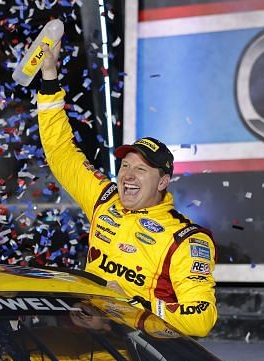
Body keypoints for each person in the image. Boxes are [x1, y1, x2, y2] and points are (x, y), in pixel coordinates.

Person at [36, 41, 217, 337]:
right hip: (84, 338)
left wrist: (130, 304)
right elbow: (60, 152)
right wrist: (49, 80)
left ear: (162, 182)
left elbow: (201, 319)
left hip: (133, 356)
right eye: (125, 166)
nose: (128, 176)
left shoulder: (184, 240)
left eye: (141, 169)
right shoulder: (104, 198)